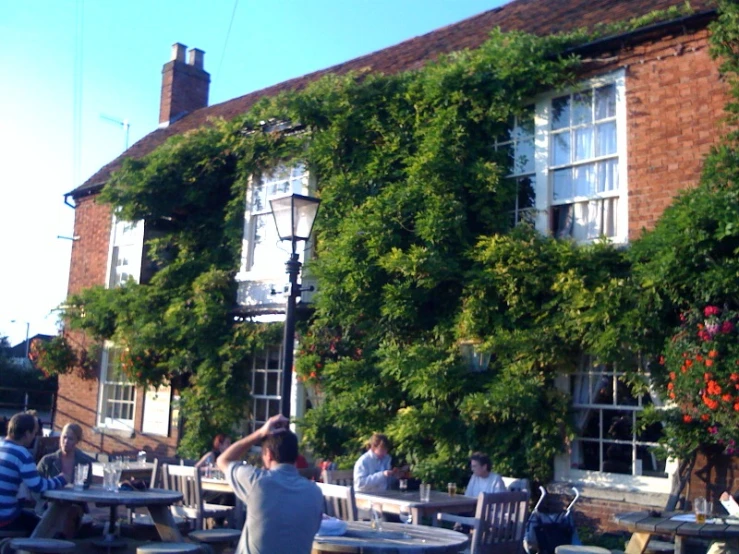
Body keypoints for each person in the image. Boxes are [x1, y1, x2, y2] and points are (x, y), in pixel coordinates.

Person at [216, 414, 323, 554]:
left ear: (269, 454)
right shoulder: (314, 492)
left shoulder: (257, 482)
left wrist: (260, 433)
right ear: (296, 457)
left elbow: (223, 460)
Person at [0, 413, 69, 535]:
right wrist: (61, 479)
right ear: (26, 434)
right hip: (5, 517)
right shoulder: (21, 453)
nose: (34, 437)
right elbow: (38, 486)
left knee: (29, 516)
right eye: (34, 433)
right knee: (45, 528)